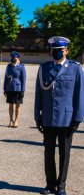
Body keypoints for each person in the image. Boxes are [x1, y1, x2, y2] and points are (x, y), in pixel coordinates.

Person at [34, 36, 84, 195]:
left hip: (67, 119)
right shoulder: (44, 68)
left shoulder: (75, 68)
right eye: (54, 51)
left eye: (60, 50)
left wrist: (78, 118)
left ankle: (61, 186)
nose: (56, 53)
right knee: (48, 154)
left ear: (67, 51)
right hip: (48, 118)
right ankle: (50, 185)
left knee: (64, 154)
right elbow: (38, 94)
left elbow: (79, 94)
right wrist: (37, 116)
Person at [4, 51, 26, 128]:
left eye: (15, 58)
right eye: (12, 58)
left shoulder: (21, 67)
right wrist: (5, 88)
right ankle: (10, 120)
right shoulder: (8, 66)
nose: (13, 59)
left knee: (17, 105)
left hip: (18, 88)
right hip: (9, 88)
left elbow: (23, 79)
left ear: (18, 59)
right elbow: (6, 78)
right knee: (10, 105)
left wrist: (22, 90)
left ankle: (16, 120)